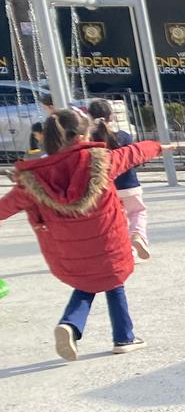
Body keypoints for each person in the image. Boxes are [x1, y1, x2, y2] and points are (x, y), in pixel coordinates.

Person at [0, 108, 163, 360]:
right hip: (108, 243)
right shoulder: (101, 162)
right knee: (113, 280)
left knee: (87, 284)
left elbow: (6, 206)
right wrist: (158, 146)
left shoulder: (34, 179)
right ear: (82, 136)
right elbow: (133, 153)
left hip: (70, 251)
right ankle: (123, 336)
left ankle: (71, 324)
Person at [86, 99, 150, 260]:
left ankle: (122, 252)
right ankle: (137, 236)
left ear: (89, 117)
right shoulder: (124, 137)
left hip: (104, 189)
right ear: (112, 117)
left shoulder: (88, 142)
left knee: (115, 221)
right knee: (137, 212)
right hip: (129, 185)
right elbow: (136, 158)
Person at [26, 91, 54, 156]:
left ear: (51, 107)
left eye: (45, 108)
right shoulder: (51, 121)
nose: (45, 111)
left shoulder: (54, 121)